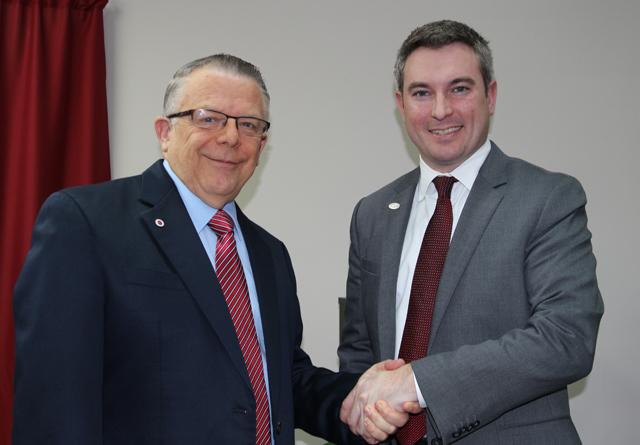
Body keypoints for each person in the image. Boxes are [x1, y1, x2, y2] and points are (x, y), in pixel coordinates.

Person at [13, 54, 411, 445]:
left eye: (249, 124)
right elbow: (53, 398)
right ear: (164, 132)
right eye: (208, 118)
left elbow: (282, 380)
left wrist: (362, 402)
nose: (230, 137)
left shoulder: (270, 254)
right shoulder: (85, 221)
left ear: (263, 144)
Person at [338, 20, 604, 445]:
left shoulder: (548, 197)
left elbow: (566, 338)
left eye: (459, 88)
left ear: (491, 95)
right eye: (421, 92)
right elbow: (358, 350)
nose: (440, 110)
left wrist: (417, 382)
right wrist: (366, 411)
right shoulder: (372, 213)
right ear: (400, 104)